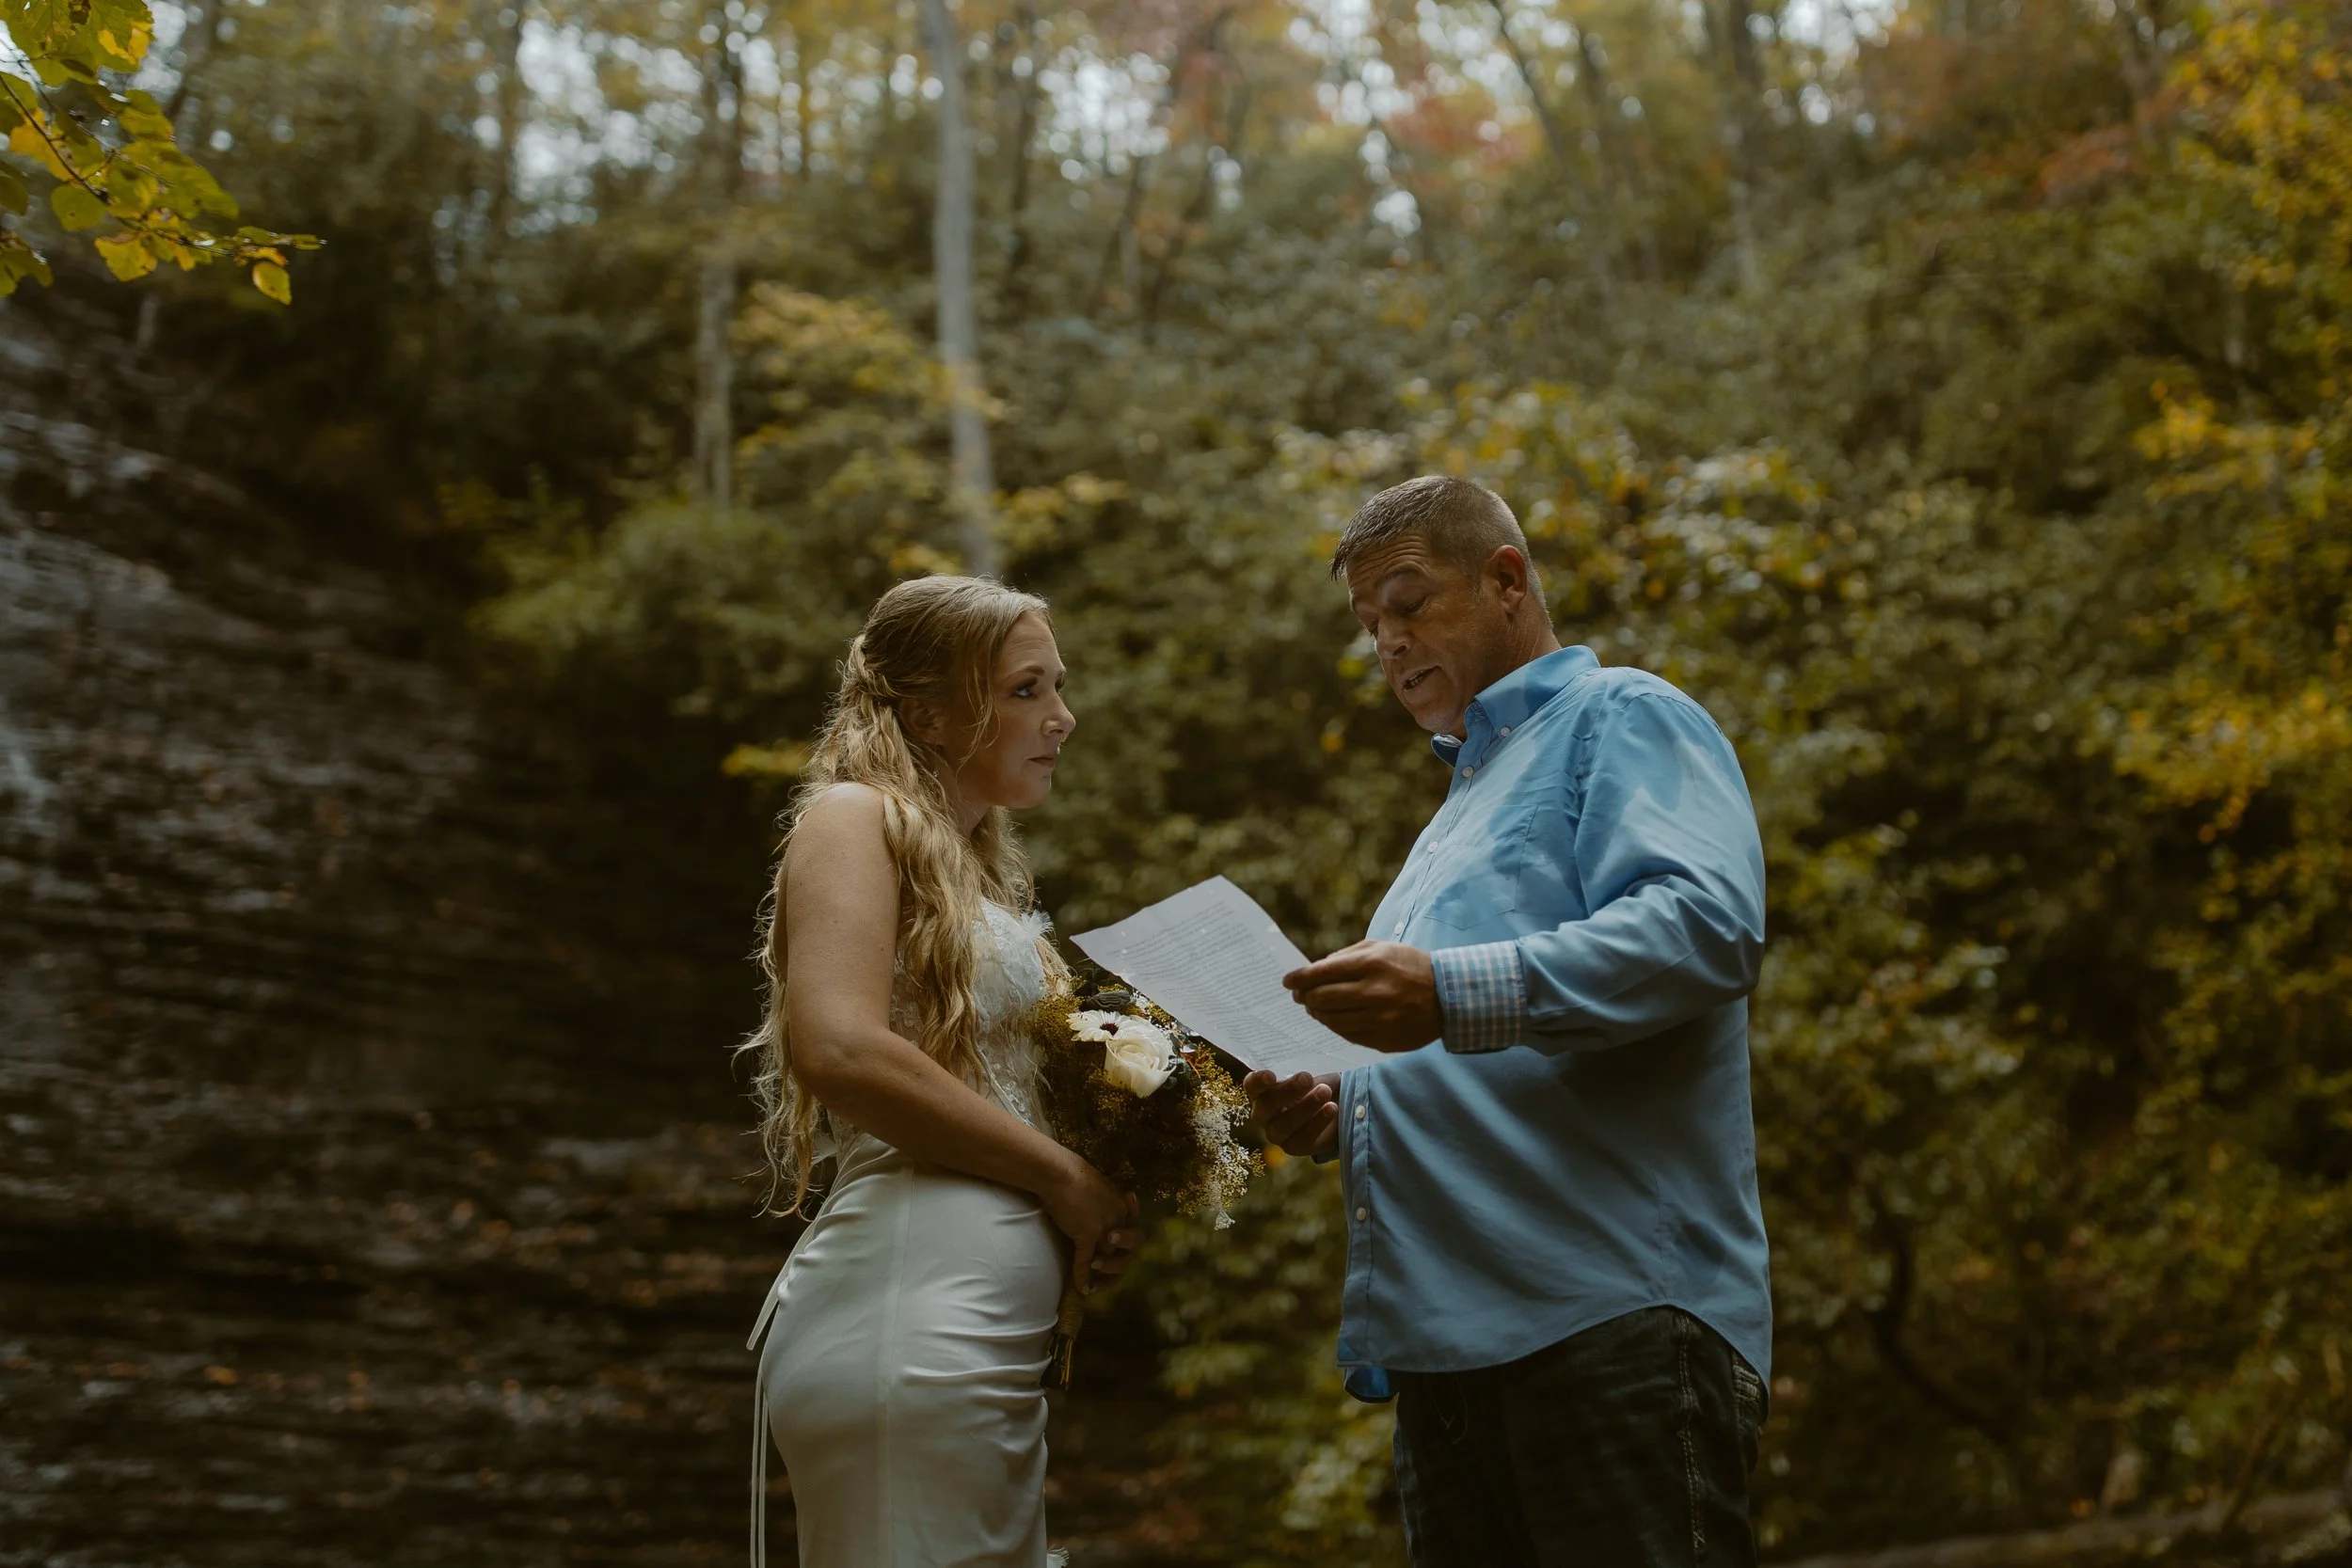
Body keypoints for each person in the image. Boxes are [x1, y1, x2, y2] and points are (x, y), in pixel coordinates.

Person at [1247, 476, 1773, 1568]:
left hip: (1609, 1317)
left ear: (1506, 579)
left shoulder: (1623, 714)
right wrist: (1341, 1107)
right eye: (1370, 625)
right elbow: (1476, 1056)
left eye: (1408, 602)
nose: (1389, 642)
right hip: (1443, 1350)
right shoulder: (1451, 815)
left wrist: (1441, 993)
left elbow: (1704, 927)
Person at [739, 576, 1138, 1568]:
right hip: (911, 1322)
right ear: (927, 712)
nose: (1062, 716)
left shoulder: (972, 872)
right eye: (1024, 690)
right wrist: (1062, 1180)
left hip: (985, 1345)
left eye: (1057, 686)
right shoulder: (850, 815)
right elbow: (839, 1048)